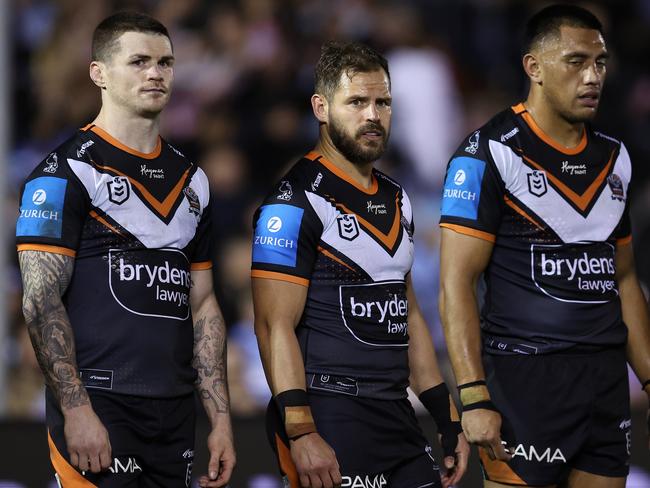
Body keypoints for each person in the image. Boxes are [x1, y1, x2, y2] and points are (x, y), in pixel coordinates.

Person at [15, 12, 235, 487]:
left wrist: (219, 420)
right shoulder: (63, 173)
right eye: (138, 61)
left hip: (175, 412)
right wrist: (76, 410)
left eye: (165, 62)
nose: (155, 73)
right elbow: (39, 300)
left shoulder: (192, 180)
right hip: (100, 405)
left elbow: (202, 303)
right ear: (99, 73)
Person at [438, 4, 650, 488]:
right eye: (576, 62)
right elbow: (456, 285)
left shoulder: (615, 159)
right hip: (523, 382)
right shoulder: (487, 155)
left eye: (600, 62)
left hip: (605, 382)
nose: (593, 76)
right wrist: (473, 396)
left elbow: (625, 280)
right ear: (534, 67)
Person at [251, 41, 469, 488]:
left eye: (383, 102)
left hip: (397, 414)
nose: (373, 115)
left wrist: (448, 419)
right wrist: (302, 430)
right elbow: (273, 327)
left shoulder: (398, 198)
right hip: (330, 416)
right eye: (357, 102)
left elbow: (405, 314)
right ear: (321, 107)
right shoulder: (292, 204)